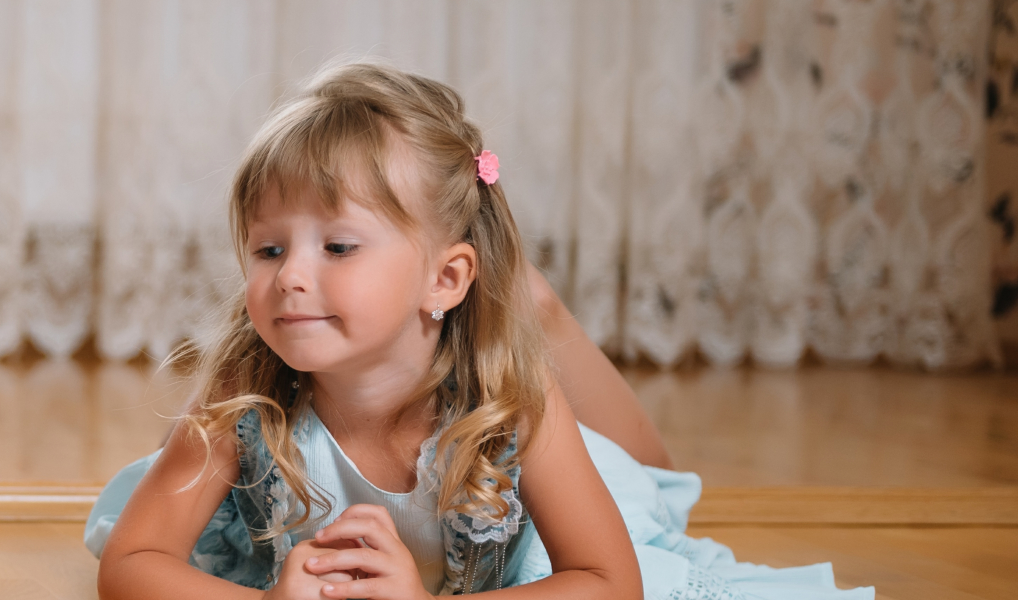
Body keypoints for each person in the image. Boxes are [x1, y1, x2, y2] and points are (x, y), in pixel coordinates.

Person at [89, 61, 871, 600]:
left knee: (648, 499)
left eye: (337, 246)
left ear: (445, 279)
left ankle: (533, 305)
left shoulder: (511, 399)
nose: (289, 276)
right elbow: (130, 561)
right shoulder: (245, 392)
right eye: (267, 249)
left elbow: (611, 580)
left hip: (524, 493)